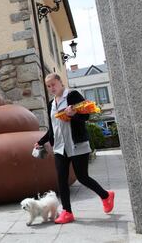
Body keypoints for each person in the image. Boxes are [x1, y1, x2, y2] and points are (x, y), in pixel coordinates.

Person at [35, 73, 115, 224]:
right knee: (61, 180)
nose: (52, 88)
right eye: (49, 86)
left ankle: (106, 195)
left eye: (53, 84)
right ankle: (67, 212)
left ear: (60, 83)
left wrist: (73, 115)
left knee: (82, 177)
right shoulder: (51, 103)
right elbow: (53, 127)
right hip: (59, 147)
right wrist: (41, 141)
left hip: (77, 144)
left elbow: (87, 117)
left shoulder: (72, 96)